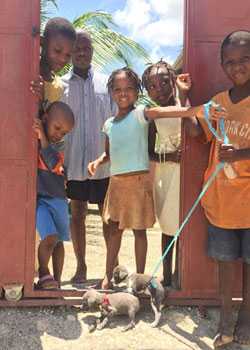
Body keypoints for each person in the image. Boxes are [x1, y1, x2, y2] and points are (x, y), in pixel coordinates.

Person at [88, 67, 222, 289]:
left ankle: (140, 277)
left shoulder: (142, 114)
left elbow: (164, 113)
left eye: (129, 88)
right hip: (117, 184)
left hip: (139, 183)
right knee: (114, 231)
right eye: (118, 89)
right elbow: (110, 153)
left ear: (137, 92)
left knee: (141, 231)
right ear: (111, 92)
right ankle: (108, 275)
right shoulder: (109, 124)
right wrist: (97, 162)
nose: (123, 93)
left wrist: (197, 109)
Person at [195, 30, 250, 348]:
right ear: (222, 64)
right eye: (230, 62)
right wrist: (185, 100)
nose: (237, 66)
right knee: (226, 267)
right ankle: (226, 321)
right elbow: (197, 130)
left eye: (244, 59)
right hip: (222, 202)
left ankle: (246, 321)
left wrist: (241, 154)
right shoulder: (218, 102)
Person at [61, 30, 115, 284]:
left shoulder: (107, 84)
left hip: (104, 166)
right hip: (73, 165)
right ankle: (81, 268)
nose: (82, 52)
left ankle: (110, 271)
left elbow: (118, 121)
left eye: (86, 48)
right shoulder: (60, 86)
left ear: (92, 51)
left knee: (108, 218)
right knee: (77, 215)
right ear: (71, 51)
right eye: (77, 48)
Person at [142, 61, 200, 287]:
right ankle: (167, 273)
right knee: (168, 227)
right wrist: (169, 157)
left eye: (164, 82)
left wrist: (185, 96)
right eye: (153, 86)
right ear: (148, 91)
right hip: (165, 176)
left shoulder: (184, 105)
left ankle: (181, 273)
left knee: (184, 225)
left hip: (185, 175)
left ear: (173, 79)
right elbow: (149, 152)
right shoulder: (153, 115)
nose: (160, 89)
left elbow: (194, 130)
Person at [34, 101, 74, 289]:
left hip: (59, 199)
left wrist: (44, 138)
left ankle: (57, 281)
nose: (59, 135)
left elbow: (52, 163)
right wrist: (41, 137)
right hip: (41, 200)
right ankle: (43, 272)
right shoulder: (36, 138)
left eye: (63, 132)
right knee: (49, 236)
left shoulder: (59, 146)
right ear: (45, 119)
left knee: (59, 242)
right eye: (57, 128)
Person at [30, 17, 76, 107]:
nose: (63, 59)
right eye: (57, 51)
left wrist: (41, 100)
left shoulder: (59, 88)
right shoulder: (26, 71)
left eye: (68, 55)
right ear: (42, 43)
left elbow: (52, 120)